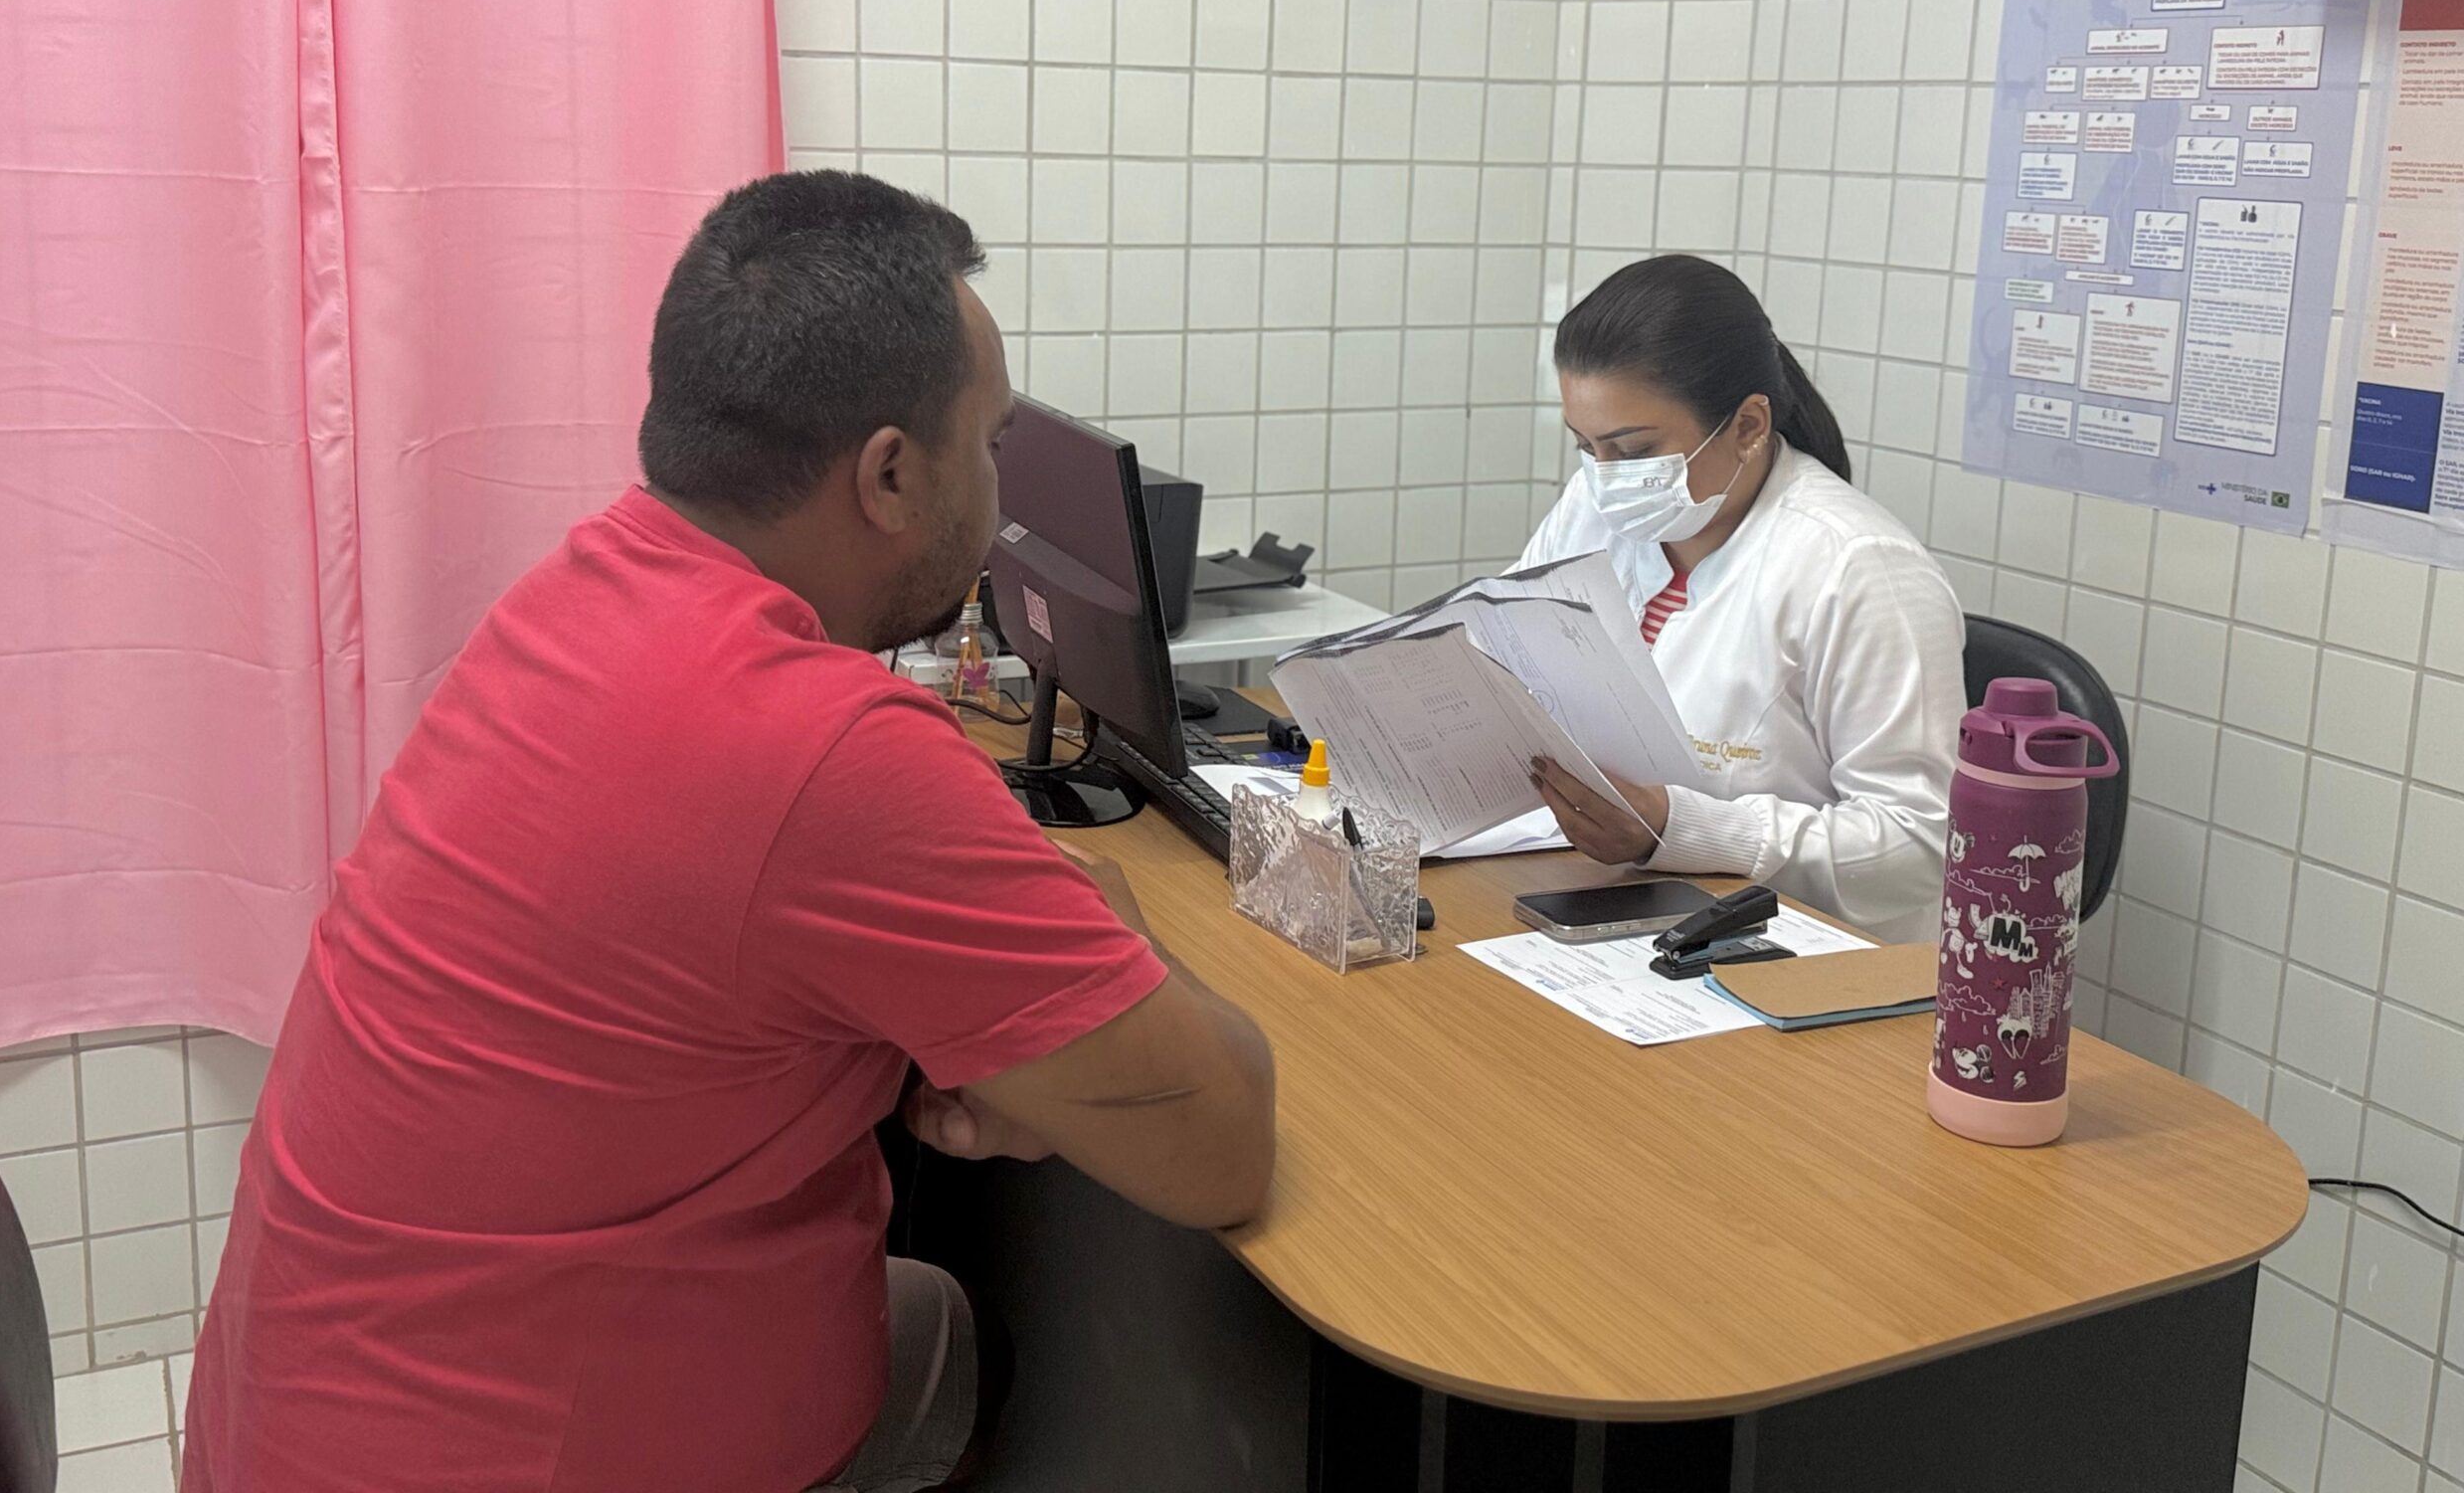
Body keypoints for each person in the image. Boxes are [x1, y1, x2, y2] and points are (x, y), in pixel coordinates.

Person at [182, 171, 1277, 1493]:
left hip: (313, 1416)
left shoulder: (579, 598)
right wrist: (1117, 933)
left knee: (939, 1310)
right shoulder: (824, 750)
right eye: (990, 447)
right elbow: (1224, 1148)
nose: (1002, 500)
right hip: (499, 1451)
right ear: (889, 475)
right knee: (984, 1345)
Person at [1517, 255, 1965, 942]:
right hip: (1613, 905)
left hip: (1800, 952)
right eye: (1586, 447)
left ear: (1749, 425)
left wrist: (1685, 829)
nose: (1605, 481)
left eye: (1633, 452)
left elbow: (1920, 844)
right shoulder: (1592, 506)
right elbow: (1514, 660)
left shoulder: (1859, 570)